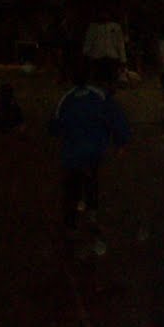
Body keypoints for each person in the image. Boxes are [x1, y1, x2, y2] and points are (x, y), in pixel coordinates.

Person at [49, 59, 130, 238]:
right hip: (93, 151)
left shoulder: (67, 99)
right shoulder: (99, 97)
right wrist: (121, 142)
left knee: (72, 187)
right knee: (91, 182)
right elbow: (116, 119)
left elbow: (55, 126)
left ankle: (71, 223)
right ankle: (91, 218)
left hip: (72, 154)